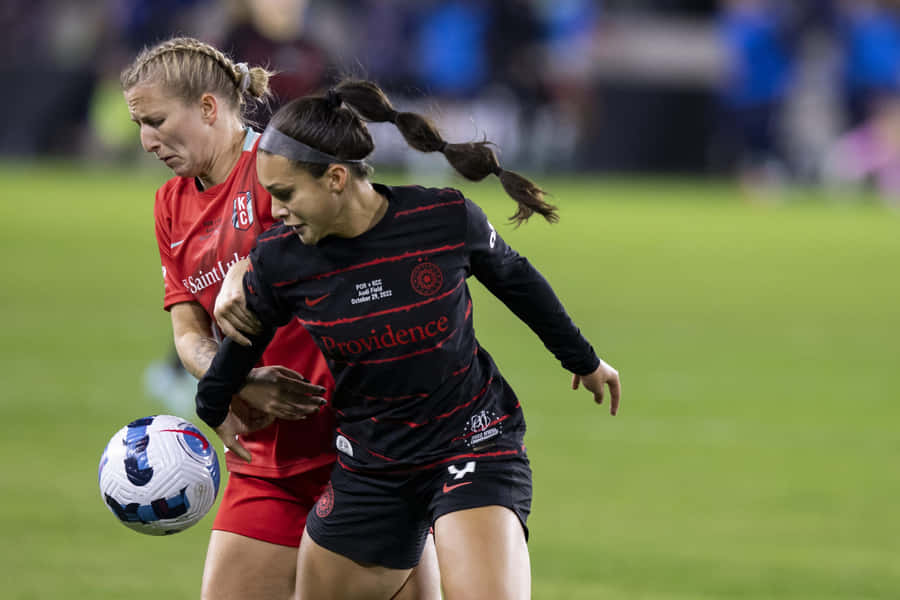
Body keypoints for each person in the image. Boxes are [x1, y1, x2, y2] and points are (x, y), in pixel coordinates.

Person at [199, 79, 621, 599]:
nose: (276, 210)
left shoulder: (441, 218)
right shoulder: (282, 259)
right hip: (372, 465)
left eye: (285, 194)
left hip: (473, 440)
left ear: (336, 178)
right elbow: (242, 344)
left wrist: (583, 360)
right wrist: (214, 402)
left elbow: (518, 281)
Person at [121, 38, 439, 600]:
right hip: (264, 461)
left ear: (208, 107)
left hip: (363, 452)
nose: (147, 141)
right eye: (140, 125)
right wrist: (236, 380)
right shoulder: (170, 205)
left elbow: (367, 257)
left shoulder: (283, 169)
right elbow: (189, 333)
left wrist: (250, 268)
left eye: (157, 121)